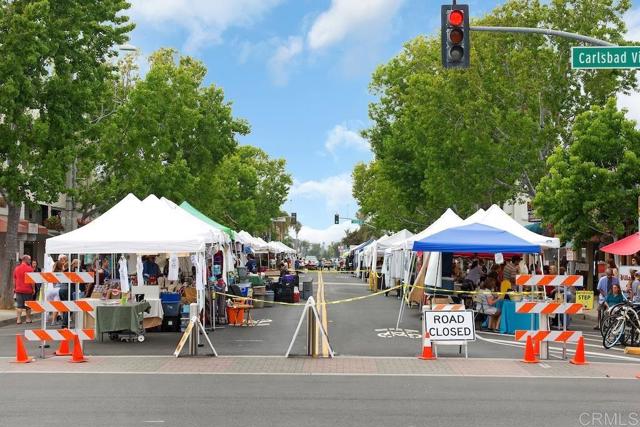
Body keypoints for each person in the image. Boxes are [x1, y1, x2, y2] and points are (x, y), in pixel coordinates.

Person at [13, 255, 34, 324]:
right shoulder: (30, 269)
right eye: (29, 260)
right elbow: (32, 281)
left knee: (19, 305)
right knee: (28, 305)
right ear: (25, 260)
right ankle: (28, 319)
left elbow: (14, 279)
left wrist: (14, 288)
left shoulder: (16, 268)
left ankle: (18, 320)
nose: (30, 261)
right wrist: (33, 289)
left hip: (18, 289)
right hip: (28, 289)